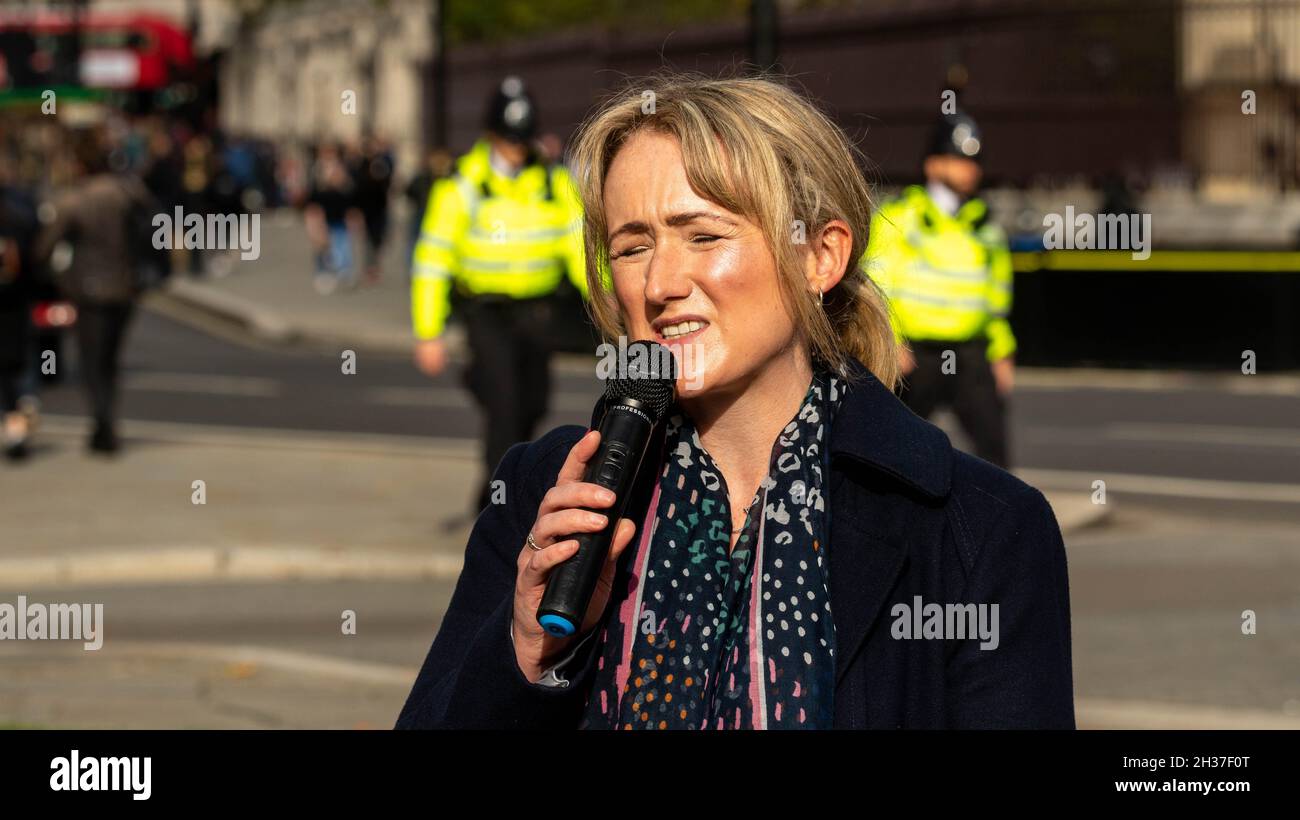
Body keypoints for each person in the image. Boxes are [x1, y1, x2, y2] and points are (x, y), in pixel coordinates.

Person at [396, 74, 1074, 730]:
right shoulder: (545, 496)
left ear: (821, 257)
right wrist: (522, 654)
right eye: (632, 246)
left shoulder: (981, 533)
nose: (661, 282)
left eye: (704, 236)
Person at [410, 76, 588, 516]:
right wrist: (428, 331)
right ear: (491, 135)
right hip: (486, 312)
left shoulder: (553, 181)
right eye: (508, 140)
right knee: (505, 404)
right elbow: (432, 260)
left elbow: (580, 247)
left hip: (538, 311)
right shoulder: (461, 185)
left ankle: (496, 476)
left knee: (534, 403)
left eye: (521, 140)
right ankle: (500, 505)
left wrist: (610, 301)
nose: (515, 149)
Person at [864, 110, 1015, 467]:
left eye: (973, 162)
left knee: (996, 455)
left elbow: (996, 301)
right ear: (933, 165)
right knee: (889, 451)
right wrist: (890, 340)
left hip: (972, 354)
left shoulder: (985, 226)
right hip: (916, 356)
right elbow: (876, 284)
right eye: (958, 160)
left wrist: (1002, 352)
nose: (969, 169)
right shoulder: (901, 218)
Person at [33, 130, 151, 455]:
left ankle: (103, 424)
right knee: (111, 359)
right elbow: (152, 227)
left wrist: (57, 277)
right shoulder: (128, 193)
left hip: (90, 289)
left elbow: (45, 248)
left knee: (92, 361)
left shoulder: (76, 200)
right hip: (127, 286)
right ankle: (106, 420)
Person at [304, 143, 363, 295]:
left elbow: (351, 199)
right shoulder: (317, 174)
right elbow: (312, 201)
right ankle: (324, 273)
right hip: (324, 219)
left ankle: (345, 272)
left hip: (339, 218)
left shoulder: (343, 176)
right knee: (323, 248)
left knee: (342, 246)